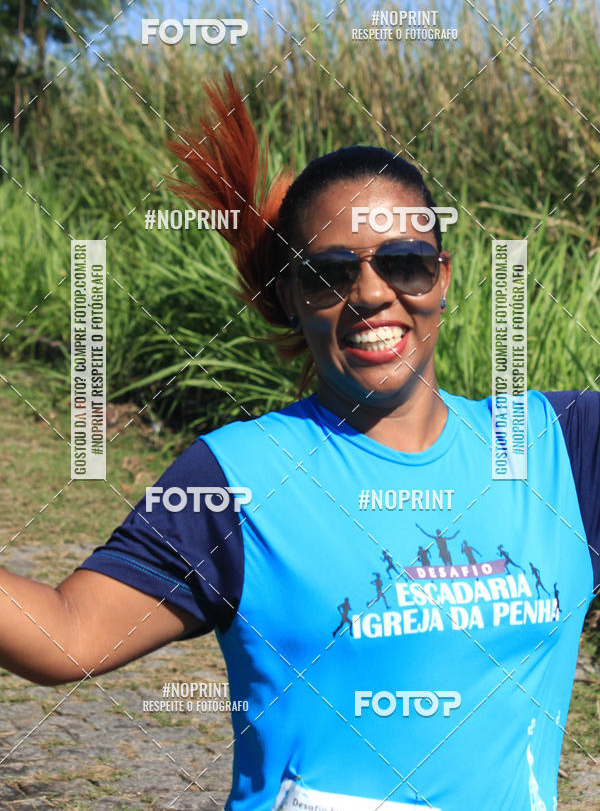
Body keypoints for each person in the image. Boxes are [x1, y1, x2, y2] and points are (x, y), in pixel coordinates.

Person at [1, 73, 598, 811]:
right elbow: (68, 634)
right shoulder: (238, 476)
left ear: (443, 277)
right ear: (290, 297)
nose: (373, 294)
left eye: (404, 262)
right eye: (329, 274)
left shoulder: (563, 448)